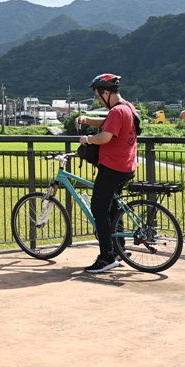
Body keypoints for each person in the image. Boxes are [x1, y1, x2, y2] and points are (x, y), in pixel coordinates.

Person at [74, 73, 139, 273]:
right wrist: (86, 120)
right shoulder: (127, 107)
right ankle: (119, 250)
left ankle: (106, 257)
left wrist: (87, 139)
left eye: (97, 95)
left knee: (99, 210)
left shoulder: (117, 111)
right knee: (113, 210)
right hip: (127, 167)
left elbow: (105, 136)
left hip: (112, 169)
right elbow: (106, 123)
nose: (97, 99)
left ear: (105, 92)